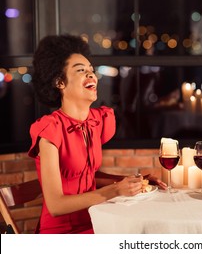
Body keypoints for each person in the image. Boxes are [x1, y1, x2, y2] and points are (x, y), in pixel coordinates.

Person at [28, 35, 167, 234]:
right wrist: (117, 190)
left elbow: (88, 177)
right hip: (62, 233)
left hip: (96, 221)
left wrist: (136, 181)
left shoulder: (96, 121)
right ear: (59, 82)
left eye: (92, 70)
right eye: (81, 70)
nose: (91, 75)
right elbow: (56, 205)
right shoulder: (50, 130)